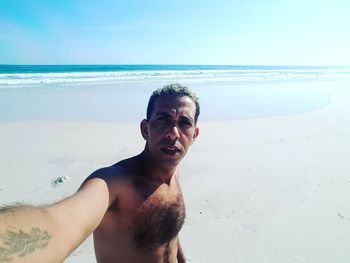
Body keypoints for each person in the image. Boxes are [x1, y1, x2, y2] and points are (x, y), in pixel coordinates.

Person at [0, 83, 200, 263]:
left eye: (184, 122)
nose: (173, 132)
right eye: (163, 120)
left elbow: (169, 234)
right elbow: (58, 225)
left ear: (194, 135)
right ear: (145, 129)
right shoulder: (114, 184)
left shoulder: (173, 173)